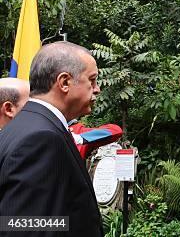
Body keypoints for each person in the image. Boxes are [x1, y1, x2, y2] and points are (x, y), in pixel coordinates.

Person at [0, 42, 103, 237]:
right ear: (64, 82)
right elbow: (27, 227)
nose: (96, 89)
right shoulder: (41, 138)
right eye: (92, 80)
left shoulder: (24, 125)